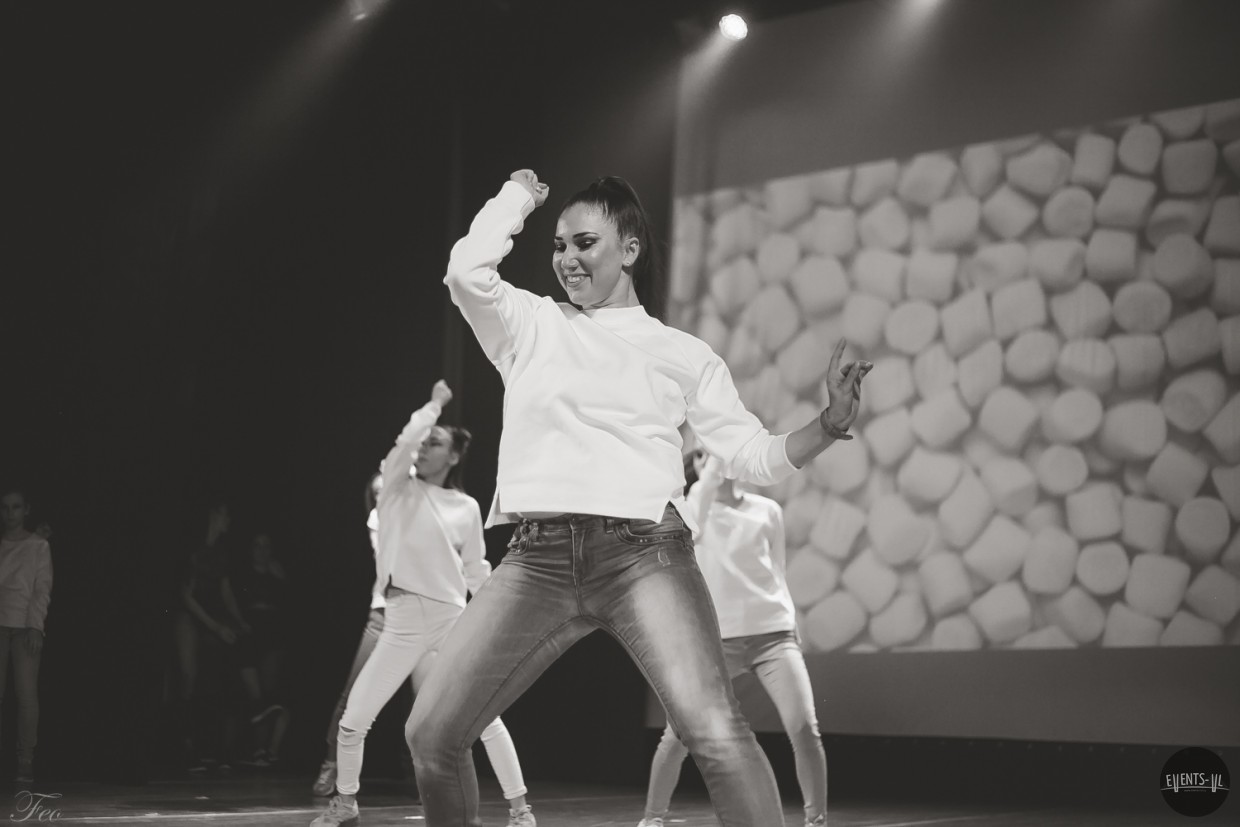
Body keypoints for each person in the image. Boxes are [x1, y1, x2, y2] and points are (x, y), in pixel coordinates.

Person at [404, 169, 869, 827]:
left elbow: (752, 456)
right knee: (431, 732)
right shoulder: (529, 323)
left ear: (629, 248)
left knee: (714, 730)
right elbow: (464, 273)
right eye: (559, 245)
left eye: (585, 242)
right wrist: (516, 198)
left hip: (642, 553)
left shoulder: (682, 353)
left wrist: (829, 424)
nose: (567, 258)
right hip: (536, 557)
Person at [312, 380, 535, 827]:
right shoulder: (396, 485)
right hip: (401, 621)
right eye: (425, 441)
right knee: (354, 720)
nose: (425, 448)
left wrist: (496, 617)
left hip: (450, 620)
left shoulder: (466, 507)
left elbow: (476, 570)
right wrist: (433, 406)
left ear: (453, 457)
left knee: (485, 719)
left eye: (437, 444)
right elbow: (405, 442)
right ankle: (346, 803)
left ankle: (520, 810)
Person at [638, 450, 828, 827]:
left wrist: (791, 621)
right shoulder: (692, 510)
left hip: (773, 636)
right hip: (717, 642)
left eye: (724, 453)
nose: (718, 460)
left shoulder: (767, 511)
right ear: (696, 466)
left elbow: (777, 572)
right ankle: (652, 818)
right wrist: (710, 469)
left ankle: (817, 820)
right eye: (706, 455)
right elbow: (697, 513)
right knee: (677, 735)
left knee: (805, 728)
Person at [313, 471, 418, 797]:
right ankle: (331, 763)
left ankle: (422, 774)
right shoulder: (379, 518)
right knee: (354, 692)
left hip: (423, 615)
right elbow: (393, 561)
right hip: (385, 614)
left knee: (422, 700)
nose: (382, 494)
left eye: (387, 487)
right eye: (377, 491)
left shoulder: (425, 510)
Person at [173, 502, 248, 771]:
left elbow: (226, 592)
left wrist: (240, 621)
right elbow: (186, 596)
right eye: (226, 514)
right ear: (215, 514)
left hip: (212, 614)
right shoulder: (193, 548)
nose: (229, 520)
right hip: (190, 614)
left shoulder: (221, 553)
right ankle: (185, 747)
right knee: (188, 677)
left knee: (215, 679)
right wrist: (216, 627)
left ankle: (213, 747)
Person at [0, 487, 54, 787]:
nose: (10, 513)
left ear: (26, 510)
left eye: (16, 507)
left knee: (26, 695)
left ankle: (26, 759)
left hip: (24, 627)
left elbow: (41, 588)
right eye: (5, 507)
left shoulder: (38, 545)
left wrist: (35, 626)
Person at [233, 531, 292, 768]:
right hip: (250, 632)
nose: (262, 550)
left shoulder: (277, 575)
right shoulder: (243, 575)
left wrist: (282, 579)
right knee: (257, 698)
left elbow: (287, 605)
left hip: (273, 635)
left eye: (266, 546)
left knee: (270, 696)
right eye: (257, 545)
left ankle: (268, 751)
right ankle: (257, 750)